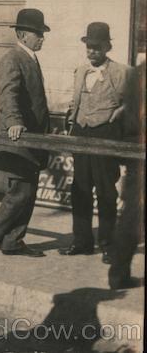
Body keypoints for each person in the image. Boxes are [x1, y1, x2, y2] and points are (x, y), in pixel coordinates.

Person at [58, 22, 133, 264]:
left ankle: (109, 244)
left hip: (106, 136)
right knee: (80, 190)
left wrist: (118, 114)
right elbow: (75, 100)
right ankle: (82, 242)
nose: (92, 52)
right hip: (82, 134)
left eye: (97, 48)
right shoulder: (80, 70)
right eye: (89, 47)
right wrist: (71, 120)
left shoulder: (121, 72)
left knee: (106, 192)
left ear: (107, 47)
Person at [0, 9, 50, 258]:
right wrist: (13, 121)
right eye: (38, 33)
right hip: (18, 137)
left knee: (29, 192)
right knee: (20, 191)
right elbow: (8, 92)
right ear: (22, 34)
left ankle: (13, 241)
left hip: (34, 139)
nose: (42, 37)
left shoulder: (31, 58)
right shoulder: (12, 58)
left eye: (43, 33)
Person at [108, 58, 145, 289]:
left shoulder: (136, 73)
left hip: (135, 154)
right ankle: (118, 274)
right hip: (141, 153)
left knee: (131, 216)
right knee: (133, 216)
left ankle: (118, 275)